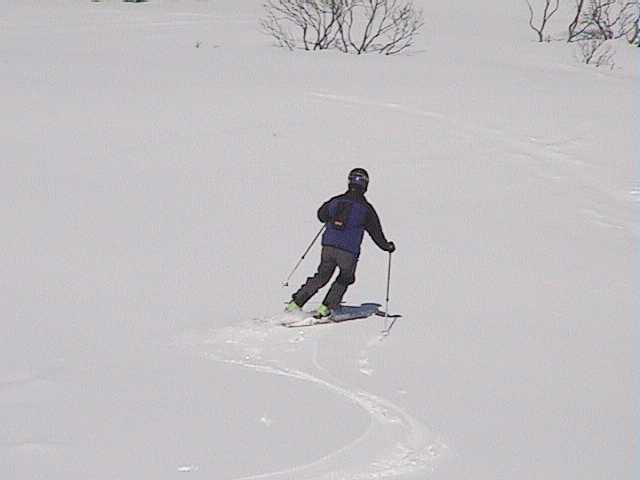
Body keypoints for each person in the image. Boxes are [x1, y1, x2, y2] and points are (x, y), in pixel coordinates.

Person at [285, 168, 395, 318]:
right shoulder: (366, 209)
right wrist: (387, 246)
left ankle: (295, 303)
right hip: (348, 251)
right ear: (365, 185)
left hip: (328, 246)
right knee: (345, 277)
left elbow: (321, 215)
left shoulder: (336, 201)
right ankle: (326, 308)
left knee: (322, 276)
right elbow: (376, 233)